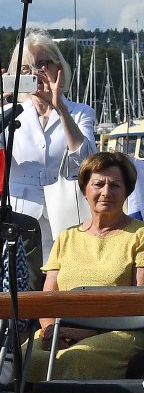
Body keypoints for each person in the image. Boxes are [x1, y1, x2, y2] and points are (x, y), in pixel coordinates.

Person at [26, 151, 144, 393]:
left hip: (123, 333)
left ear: (127, 191)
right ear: (85, 189)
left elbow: (141, 304)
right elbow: (47, 297)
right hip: (61, 332)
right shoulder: (66, 238)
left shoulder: (141, 235)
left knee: (75, 360)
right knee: (22, 362)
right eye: (98, 184)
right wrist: (49, 329)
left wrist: (85, 332)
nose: (106, 192)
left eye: (115, 185)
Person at [3, 29, 96, 257]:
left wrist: (60, 109)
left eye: (42, 65)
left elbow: (87, 160)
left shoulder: (80, 112)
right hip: (20, 218)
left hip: (68, 215)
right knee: (24, 276)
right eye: (26, 69)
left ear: (58, 68)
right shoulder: (8, 114)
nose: (35, 73)